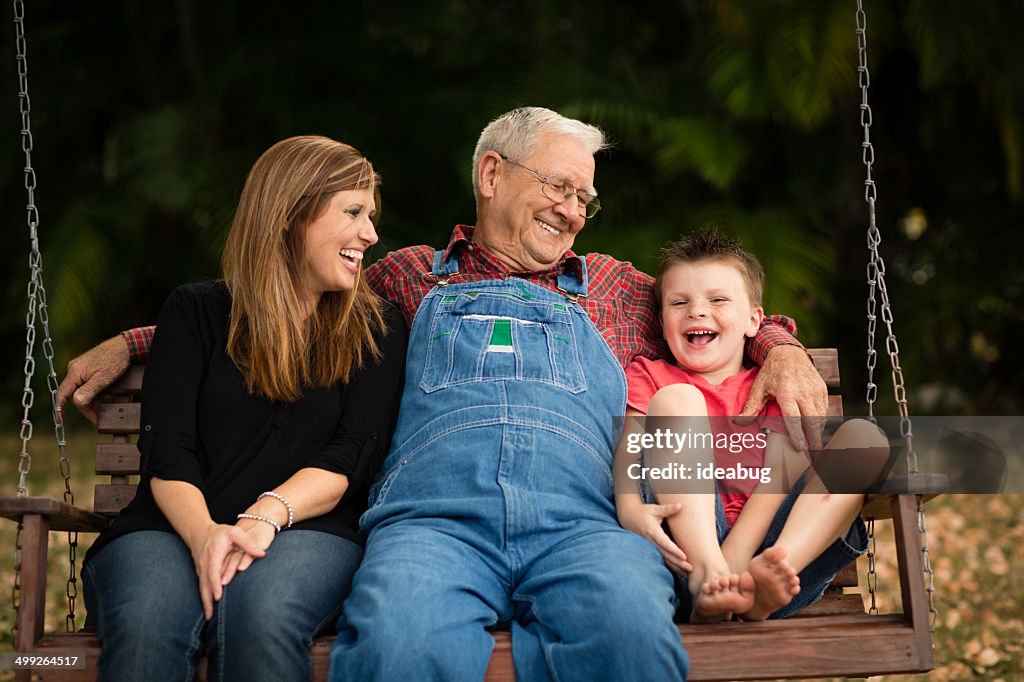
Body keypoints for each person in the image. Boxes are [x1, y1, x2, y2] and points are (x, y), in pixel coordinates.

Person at [61, 107, 830, 681]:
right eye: (559, 186)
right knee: (397, 639)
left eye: (584, 199)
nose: (573, 209)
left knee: (629, 628)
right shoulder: (404, 277)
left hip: (583, 527)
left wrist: (781, 345)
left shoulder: (621, 290)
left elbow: (712, 317)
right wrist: (135, 343)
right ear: (492, 174)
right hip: (433, 528)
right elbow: (273, 308)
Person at [79, 136, 407, 682]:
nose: (370, 235)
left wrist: (262, 518)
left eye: (370, 216)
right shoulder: (195, 312)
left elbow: (350, 457)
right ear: (289, 215)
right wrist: (206, 533)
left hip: (309, 529)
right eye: (353, 212)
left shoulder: (378, 328)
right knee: (149, 623)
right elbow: (169, 451)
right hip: (167, 526)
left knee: (260, 614)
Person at [615, 229, 889, 625]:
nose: (697, 311)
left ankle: (761, 589)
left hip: (774, 549)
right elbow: (629, 451)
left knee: (865, 438)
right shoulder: (651, 376)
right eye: (679, 302)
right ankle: (711, 580)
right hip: (681, 555)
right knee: (678, 401)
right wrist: (629, 510)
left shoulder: (776, 385)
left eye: (717, 299)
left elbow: (778, 484)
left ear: (753, 320)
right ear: (662, 321)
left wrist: (737, 568)